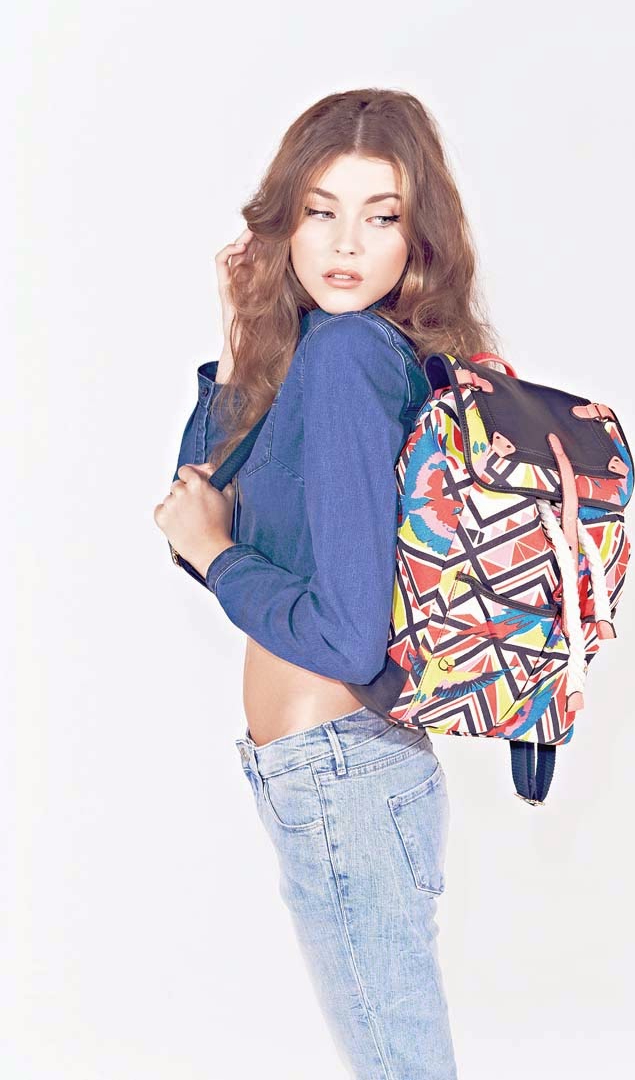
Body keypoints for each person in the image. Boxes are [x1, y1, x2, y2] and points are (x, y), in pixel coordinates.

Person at [153, 88, 500, 1080]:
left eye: (381, 216)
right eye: (320, 211)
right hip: (337, 768)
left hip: (344, 766)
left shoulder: (349, 358)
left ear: (417, 241)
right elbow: (197, 506)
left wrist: (219, 555)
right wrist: (242, 336)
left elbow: (343, 636)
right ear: (285, 223)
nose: (346, 243)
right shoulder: (327, 353)